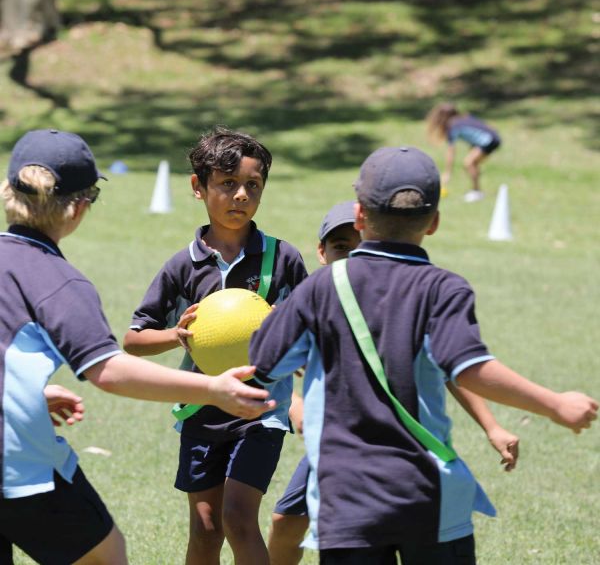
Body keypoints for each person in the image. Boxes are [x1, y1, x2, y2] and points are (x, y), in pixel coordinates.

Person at [249, 146, 598, 564]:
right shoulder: (444, 289)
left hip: (346, 500)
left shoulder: (320, 288)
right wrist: (555, 403)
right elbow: (468, 368)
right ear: (433, 223)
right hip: (428, 497)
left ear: (361, 216)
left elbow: (264, 361)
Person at [0, 129, 276, 565]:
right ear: (80, 206)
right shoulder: (59, 281)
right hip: (17, 464)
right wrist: (211, 390)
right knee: (106, 556)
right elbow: (109, 369)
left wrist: (22, 396)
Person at [267, 200, 521, 565]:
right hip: (340, 441)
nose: (353, 256)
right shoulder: (316, 299)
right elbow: (264, 368)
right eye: (341, 247)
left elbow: (451, 367)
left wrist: (491, 426)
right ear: (321, 252)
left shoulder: (394, 296)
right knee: (286, 520)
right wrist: (293, 402)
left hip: (384, 445)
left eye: (359, 246)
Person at [123, 127, 307, 565]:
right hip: (201, 410)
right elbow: (133, 339)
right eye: (228, 184)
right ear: (198, 187)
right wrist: (175, 336)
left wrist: (295, 348)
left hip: (261, 411)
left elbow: (314, 331)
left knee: (239, 519)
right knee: (205, 530)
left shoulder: (283, 259)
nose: (241, 195)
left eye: (253, 185)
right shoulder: (183, 266)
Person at [426, 102, 501, 202]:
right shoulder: (465, 117)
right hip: (493, 138)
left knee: (469, 163)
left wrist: (448, 172)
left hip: (489, 140)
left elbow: (451, 151)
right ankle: (476, 190)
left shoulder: (452, 126)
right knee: (473, 164)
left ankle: (476, 192)